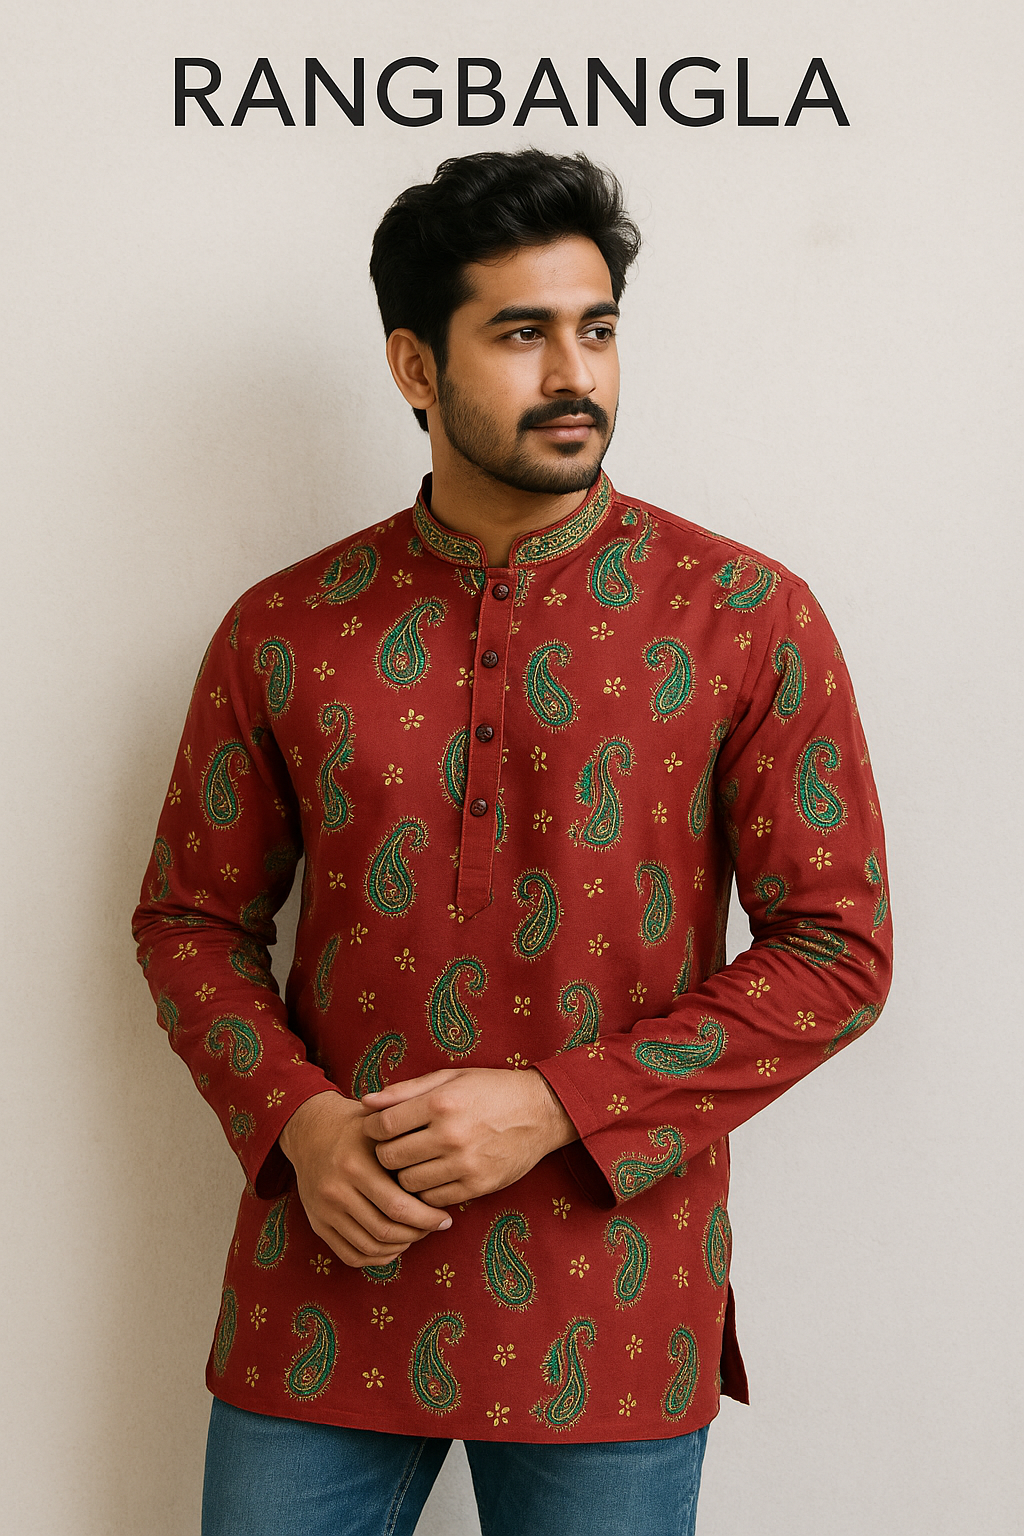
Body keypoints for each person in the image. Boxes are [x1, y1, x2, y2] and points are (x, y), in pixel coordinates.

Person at [133, 148, 892, 1536]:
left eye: (597, 329)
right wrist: (299, 1123)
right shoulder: (286, 628)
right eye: (522, 333)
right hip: (327, 1278)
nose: (575, 374)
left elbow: (837, 952)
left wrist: (556, 1104)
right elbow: (190, 921)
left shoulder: (743, 616)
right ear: (414, 367)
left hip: (611, 1291)